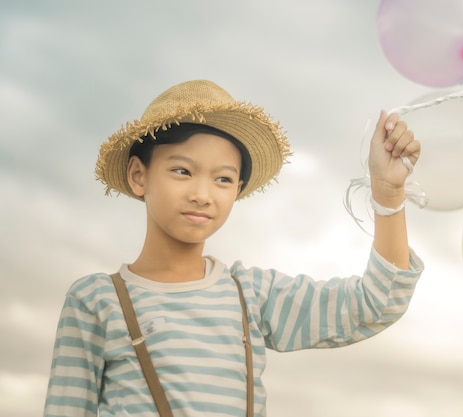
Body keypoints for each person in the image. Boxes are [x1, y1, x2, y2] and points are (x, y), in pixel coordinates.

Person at [44, 79, 424, 417]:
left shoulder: (250, 295)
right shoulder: (97, 300)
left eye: (223, 179)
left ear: (237, 190)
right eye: (182, 171)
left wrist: (387, 192)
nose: (202, 195)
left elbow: (377, 302)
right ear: (138, 175)